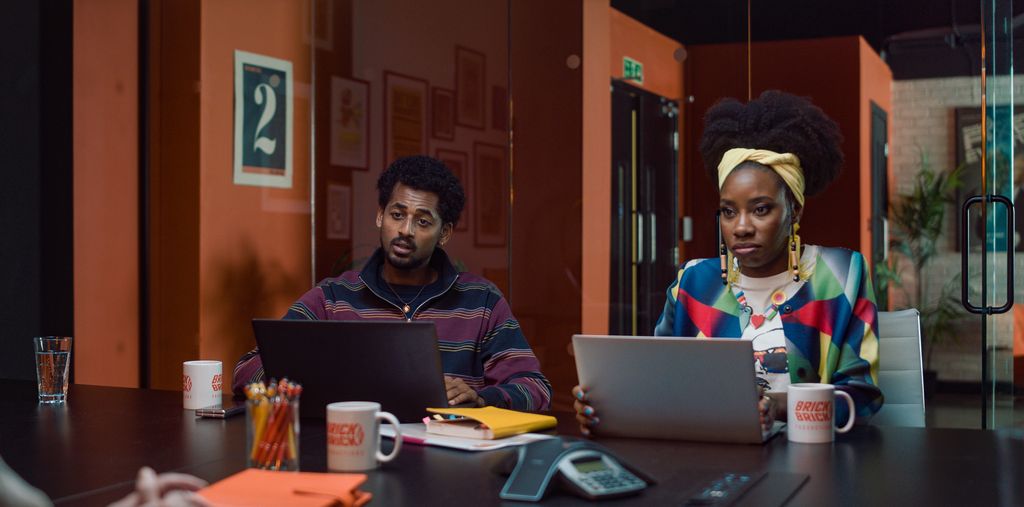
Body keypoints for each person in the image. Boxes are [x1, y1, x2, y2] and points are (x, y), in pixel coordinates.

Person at [573, 90, 883, 434]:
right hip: (709, 457)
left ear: (794, 209)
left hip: (808, 459)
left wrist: (777, 407)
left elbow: (861, 397)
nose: (742, 227)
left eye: (761, 209)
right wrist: (607, 406)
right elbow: (659, 383)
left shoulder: (841, 274)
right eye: (728, 211)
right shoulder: (693, 282)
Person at [233, 156, 552, 411]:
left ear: (445, 233)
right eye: (397, 215)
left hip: (452, 467)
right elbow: (248, 370)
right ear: (379, 217)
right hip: (353, 453)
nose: (406, 230)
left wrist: (483, 399)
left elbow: (534, 387)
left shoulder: (481, 301)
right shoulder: (334, 297)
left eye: (423, 221)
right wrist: (317, 380)